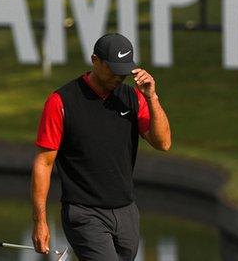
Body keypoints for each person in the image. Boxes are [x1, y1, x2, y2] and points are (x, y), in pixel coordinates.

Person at [31, 33, 171, 260]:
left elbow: (163, 143)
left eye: (124, 70)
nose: (119, 76)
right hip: (84, 213)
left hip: (126, 211)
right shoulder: (61, 102)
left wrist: (151, 98)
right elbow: (43, 163)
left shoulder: (133, 97)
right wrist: (40, 221)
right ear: (95, 60)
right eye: (113, 68)